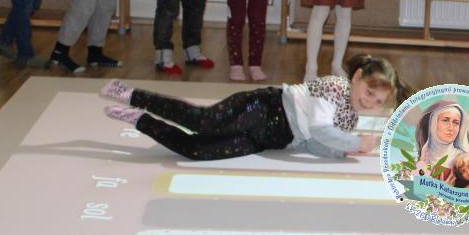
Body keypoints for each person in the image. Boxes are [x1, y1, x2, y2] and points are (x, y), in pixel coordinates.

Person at [101, 54, 407, 161]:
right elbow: (318, 127)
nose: (369, 102)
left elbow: (314, 143)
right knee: (202, 120)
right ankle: (132, 95)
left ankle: (140, 120)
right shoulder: (335, 87)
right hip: (264, 108)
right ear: (356, 77)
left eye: (378, 102)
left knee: (198, 150)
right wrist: (354, 143)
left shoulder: (349, 118)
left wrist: (342, 152)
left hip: (270, 139)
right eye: (369, 92)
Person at [415, 100, 469, 182]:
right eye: (445, 120)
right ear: (433, 123)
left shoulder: (465, 159)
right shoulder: (419, 157)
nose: (451, 128)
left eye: (456, 123)